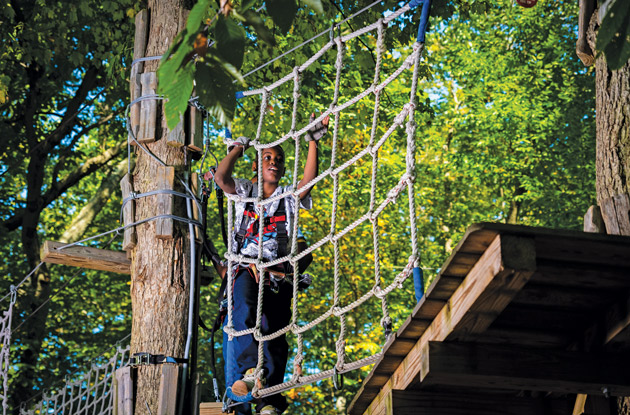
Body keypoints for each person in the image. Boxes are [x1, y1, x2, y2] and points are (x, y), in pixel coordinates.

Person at [214, 115, 328, 415]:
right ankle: (249, 373)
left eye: (278, 159)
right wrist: (237, 149)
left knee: (277, 332)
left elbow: (308, 183)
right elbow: (221, 179)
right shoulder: (244, 193)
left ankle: (270, 400)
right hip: (246, 267)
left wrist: (313, 143)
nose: (273, 163)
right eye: (267, 158)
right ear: (257, 166)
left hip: (277, 272)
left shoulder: (287, 198)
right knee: (244, 312)